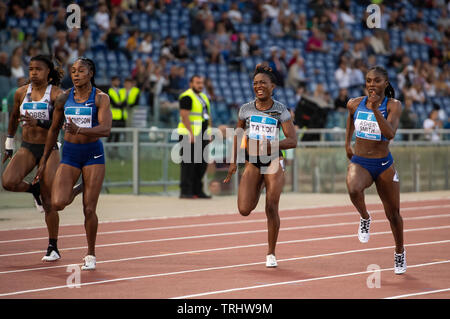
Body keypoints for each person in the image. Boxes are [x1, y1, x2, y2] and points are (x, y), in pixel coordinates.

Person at [2, 55, 81, 262]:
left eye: (38, 69)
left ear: (48, 72)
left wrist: (38, 123)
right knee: (8, 181)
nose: (33, 73)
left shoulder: (57, 95)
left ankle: (52, 246)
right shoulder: (21, 93)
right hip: (27, 147)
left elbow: (60, 126)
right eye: (30, 69)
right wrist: (9, 144)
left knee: (50, 201)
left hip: (50, 148)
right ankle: (32, 189)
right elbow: (12, 117)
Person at [35, 57, 112, 270]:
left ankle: (90, 254)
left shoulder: (100, 98)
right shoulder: (63, 98)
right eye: (73, 71)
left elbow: (106, 129)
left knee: (89, 209)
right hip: (69, 154)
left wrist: (81, 130)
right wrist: (44, 159)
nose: (76, 74)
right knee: (57, 202)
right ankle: (80, 188)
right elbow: (53, 129)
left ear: (91, 74)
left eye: (81, 71)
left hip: (92, 154)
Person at [223, 64, 297, 268]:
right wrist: (233, 161)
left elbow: (292, 140)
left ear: (273, 86)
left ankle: (271, 253)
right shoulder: (245, 109)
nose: (258, 86)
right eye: (255, 83)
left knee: (271, 206)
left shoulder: (280, 110)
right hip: (252, 161)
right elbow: (238, 134)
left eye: (263, 83)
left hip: (274, 160)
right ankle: (260, 184)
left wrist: (272, 144)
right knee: (244, 209)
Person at [345, 66, 406, 274]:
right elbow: (350, 121)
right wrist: (347, 143)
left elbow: (389, 134)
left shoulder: (394, 106)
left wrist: (373, 110)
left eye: (377, 81)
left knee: (393, 215)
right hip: (361, 161)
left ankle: (399, 252)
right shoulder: (354, 103)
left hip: (383, 165)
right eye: (369, 80)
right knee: (353, 189)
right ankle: (365, 217)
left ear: (386, 83)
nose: (372, 84)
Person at [177, 75, 212, 199]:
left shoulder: (203, 97)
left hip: (202, 133)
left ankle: (198, 190)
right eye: (197, 83)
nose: (200, 85)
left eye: (201, 83)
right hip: (189, 134)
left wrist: (209, 131)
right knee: (188, 164)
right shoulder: (187, 96)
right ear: (191, 83)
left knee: (201, 163)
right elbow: (184, 116)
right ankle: (186, 190)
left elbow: (207, 116)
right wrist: (191, 133)